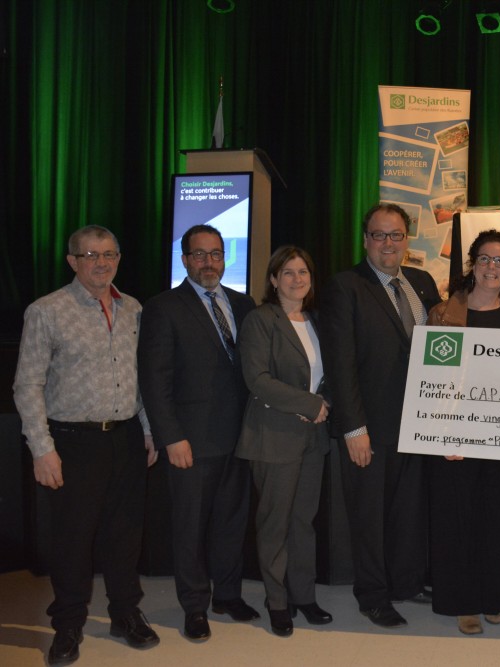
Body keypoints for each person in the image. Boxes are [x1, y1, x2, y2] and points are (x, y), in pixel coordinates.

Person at [13, 225, 160, 665]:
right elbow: (27, 384)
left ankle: (124, 613)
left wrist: (149, 430)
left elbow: (143, 379)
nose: (102, 262)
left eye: (109, 254)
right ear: (72, 261)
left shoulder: (133, 308)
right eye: (91, 254)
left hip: (127, 438)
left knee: (124, 536)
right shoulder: (47, 311)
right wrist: (42, 448)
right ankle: (69, 624)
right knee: (73, 540)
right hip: (72, 443)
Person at [320, 203, 441, 628]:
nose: (387, 243)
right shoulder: (345, 286)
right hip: (369, 426)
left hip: (418, 424)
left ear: (407, 240)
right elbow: (341, 363)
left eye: (395, 235)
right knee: (369, 516)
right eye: (378, 235)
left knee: (408, 511)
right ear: (365, 239)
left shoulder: (422, 283)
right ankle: (373, 594)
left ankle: (405, 582)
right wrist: (354, 427)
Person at [138, 224, 259, 641]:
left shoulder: (245, 306)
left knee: (231, 522)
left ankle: (227, 594)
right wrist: (171, 436)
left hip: (239, 437)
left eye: (216, 254)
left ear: (226, 258)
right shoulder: (164, 307)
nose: (209, 262)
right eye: (199, 254)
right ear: (185, 260)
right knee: (189, 528)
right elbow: (155, 379)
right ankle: (194, 606)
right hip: (190, 440)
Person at [425, 230, 500, 636]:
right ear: (472, 264)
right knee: (457, 518)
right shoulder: (444, 312)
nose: (492, 267)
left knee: (496, 519)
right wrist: (443, 432)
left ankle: (492, 599)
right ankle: (462, 603)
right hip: (456, 438)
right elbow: (433, 377)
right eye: (485, 259)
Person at [235, 246, 332, 637]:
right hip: (274, 435)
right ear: (273, 280)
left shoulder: (316, 320)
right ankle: (277, 601)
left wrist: (324, 403)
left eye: (303, 271)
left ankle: (303, 595)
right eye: (287, 272)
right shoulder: (261, 320)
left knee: (303, 522)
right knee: (274, 524)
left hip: (313, 437)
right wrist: (310, 404)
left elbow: (332, 372)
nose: (297, 279)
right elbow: (257, 379)